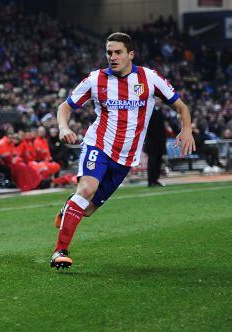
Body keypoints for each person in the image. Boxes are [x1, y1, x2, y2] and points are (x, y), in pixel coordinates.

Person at [50, 32, 195, 269]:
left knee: (86, 210)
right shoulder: (96, 80)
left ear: (130, 54)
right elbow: (64, 107)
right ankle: (59, 252)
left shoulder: (149, 78)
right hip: (98, 143)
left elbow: (181, 106)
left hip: (126, 157)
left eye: (118, 52)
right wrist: (63, 127)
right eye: (109, 52)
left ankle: (70, 208)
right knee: (86, 188)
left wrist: (186, 129)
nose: (112, 57)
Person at [144, 106, 168, 187]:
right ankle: (151, 181)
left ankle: (155, 179)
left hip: (159, 141)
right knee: (152, 162)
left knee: (158, 161)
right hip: (152, 141)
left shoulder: (159, 111)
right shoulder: (150, 110)